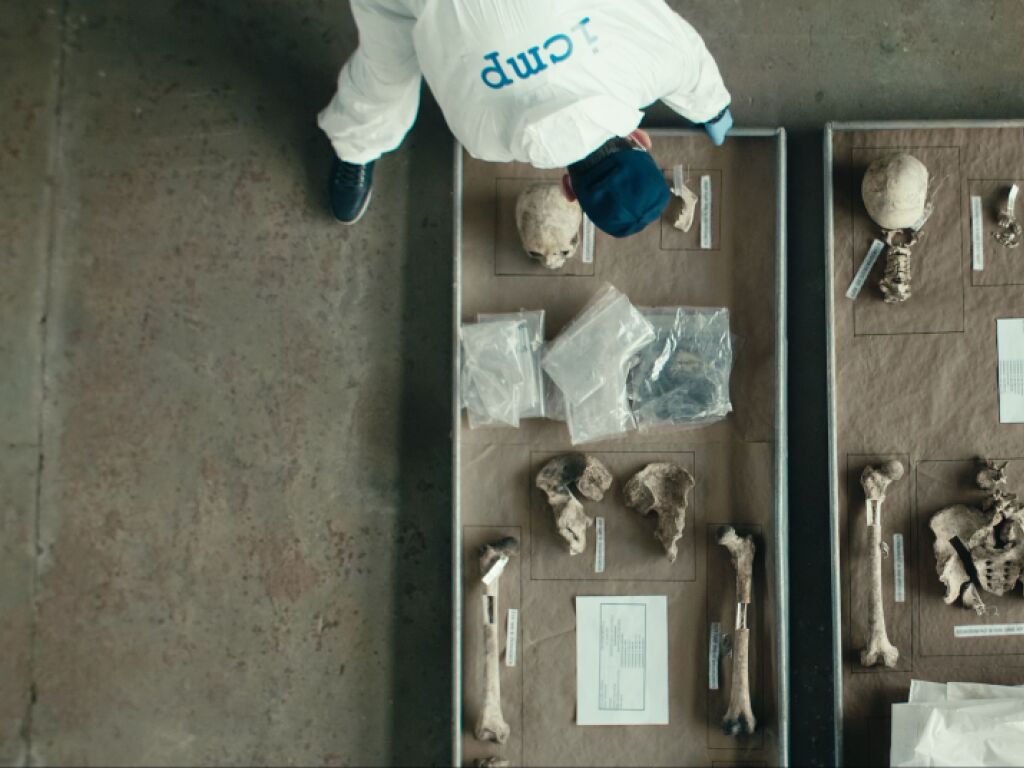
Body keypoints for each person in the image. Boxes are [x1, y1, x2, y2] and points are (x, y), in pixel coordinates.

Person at [319, 0, 733, 237]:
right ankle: (356, 145)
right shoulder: (485, 138)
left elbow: (690, 60)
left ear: (641, 139)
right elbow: (438, 57)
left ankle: (359, 142)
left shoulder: (650, 64)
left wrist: (713, 107)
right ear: (568, 189)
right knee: (385, 76)